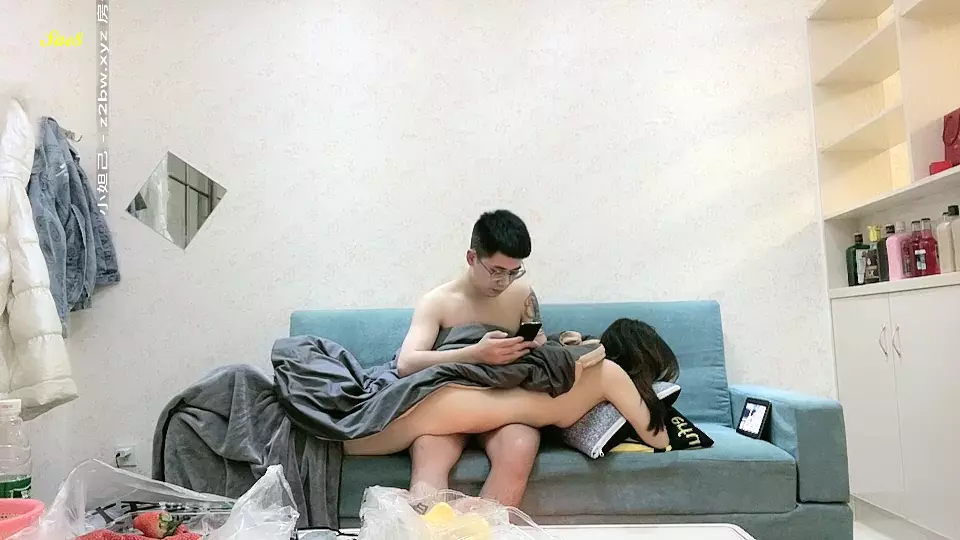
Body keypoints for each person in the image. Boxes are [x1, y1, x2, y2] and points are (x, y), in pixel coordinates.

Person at [344, 318, 677, 457]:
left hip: (460, 399)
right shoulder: (609, 374)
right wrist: (650, 395)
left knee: (351, 438)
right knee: (345, 443)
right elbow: (658, 439)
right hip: (456, 402)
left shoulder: (587, 362)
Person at [393, 209, 546, 507]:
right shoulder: (437, 302)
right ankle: (429, 528)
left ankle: (484, 527)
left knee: (521, 444)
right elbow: (406, 364)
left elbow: (538, 340)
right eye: (496, 271)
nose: (503, 281)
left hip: (503, 401)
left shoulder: (522, 295)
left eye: (513, 272)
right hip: (451, 401)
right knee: (429, 453)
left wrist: (532, 344)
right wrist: (474, 354)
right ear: (471, 257)